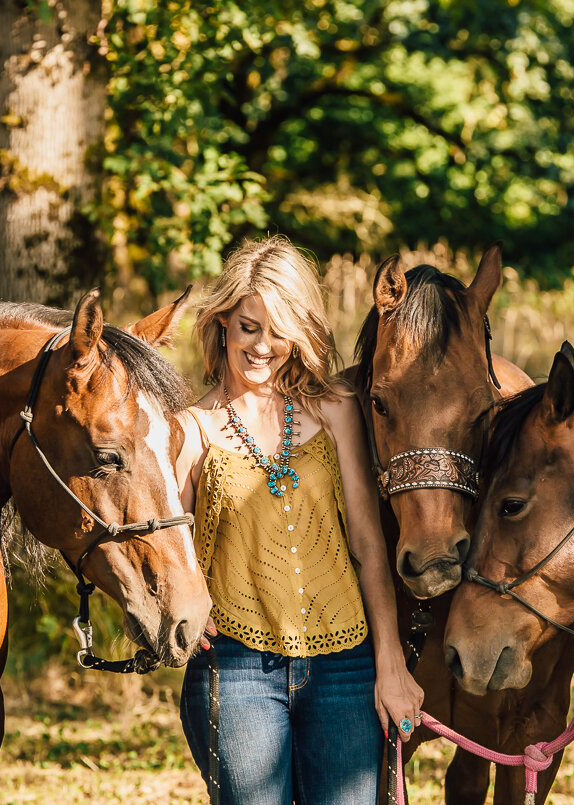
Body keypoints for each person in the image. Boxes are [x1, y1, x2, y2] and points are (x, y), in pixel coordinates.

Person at [174, 237, 424, 804]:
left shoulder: (335, 411)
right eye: (248, 327)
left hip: (346, 666)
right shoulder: (190, 429)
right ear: (222, 327)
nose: (264, 346)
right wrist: (186, 606)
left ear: (301, 333)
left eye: (280, 329)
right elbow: (167, 546)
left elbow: (366, 542)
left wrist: (390, 664)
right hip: (235, 671)